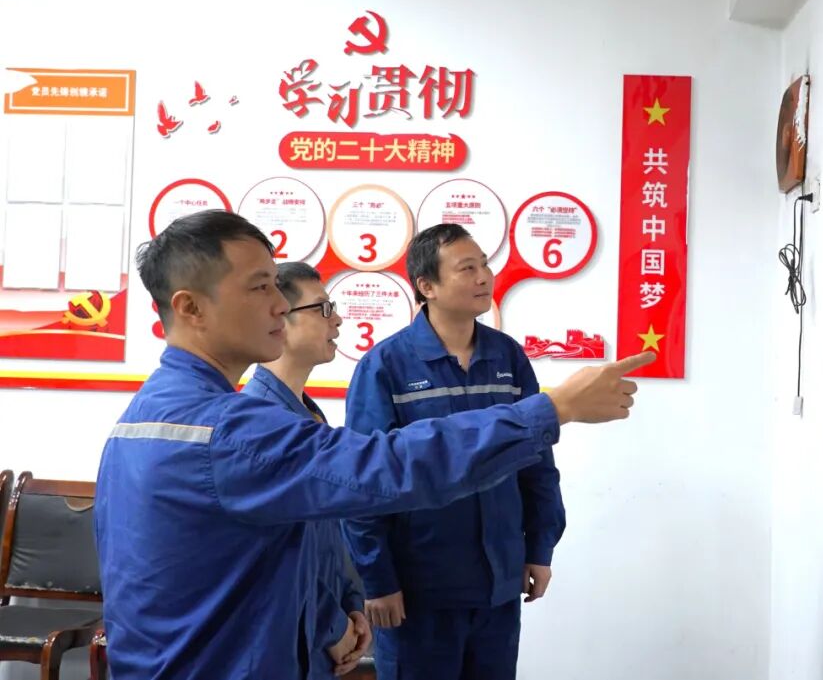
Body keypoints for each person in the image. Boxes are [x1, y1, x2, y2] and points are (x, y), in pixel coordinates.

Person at [94, 210, 653, 680]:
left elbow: (274, 556)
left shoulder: (144, 417)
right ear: (191, 307)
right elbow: (384, 466)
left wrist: (332, 619)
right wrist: (553, 409)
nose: (279, 305)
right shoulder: (229, 430)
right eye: (260, 287)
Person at [343, 224, 566, 680]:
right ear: (427, 286)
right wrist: (379, 580)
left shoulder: (507, 357)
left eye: (484, 264)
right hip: (418, 592)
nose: (484, 276)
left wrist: (540, 547)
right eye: (467, 268)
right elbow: (362, 482)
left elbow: (537, 462)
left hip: (497, 587)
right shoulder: (385, 366)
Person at [240, 261, 371, 678]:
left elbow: (325, 537)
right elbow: (272, 562)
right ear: (281, 317)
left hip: (319, 633)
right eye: (323, 308)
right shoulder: (260, 422)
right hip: (286, 641)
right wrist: (333, 626)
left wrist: (351, 604)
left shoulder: (307, 415)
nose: (338, 319)